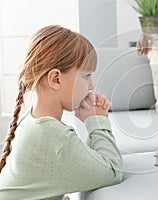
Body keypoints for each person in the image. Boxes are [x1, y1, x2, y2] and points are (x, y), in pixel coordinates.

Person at [0, 25, 123, 199]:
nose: (91, 85)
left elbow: (86, 165)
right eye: (86, 76)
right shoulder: (55, 137)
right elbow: (113, 171)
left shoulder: (32, 121)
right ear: (56, 79)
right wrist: (96, 121)